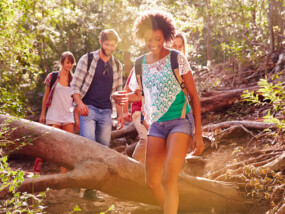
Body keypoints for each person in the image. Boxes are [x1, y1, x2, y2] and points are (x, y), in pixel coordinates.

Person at [113, 11, 204, 213]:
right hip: (156, 126)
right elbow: (137, 95)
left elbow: (194, 96)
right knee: (152, 183)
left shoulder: (176, 59)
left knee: (168, 178)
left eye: (157, 38)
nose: (153, 42)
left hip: (180, 123)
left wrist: (198, 132)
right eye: (148, 39)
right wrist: (120, 98)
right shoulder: (139, 64)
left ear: (165, 36)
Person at [70, 29, 123, 200]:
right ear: (101, 42)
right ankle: (79, 181)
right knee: (88, 146)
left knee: (103, 150)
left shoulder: (117, 65)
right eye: (107, 44)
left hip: (106, 111)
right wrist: (80, 104)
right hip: (89, 109)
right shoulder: (88, 59)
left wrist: (121, 115)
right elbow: (75, 86)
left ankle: (91, 190)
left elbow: (118, 93)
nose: (110, 48)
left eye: (113, 45)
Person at [39, 51, 79, 173]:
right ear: (62, 62)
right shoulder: (52, 77)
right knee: (50, 144)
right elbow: (46, 96)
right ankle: (39, 166)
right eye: (67, 62)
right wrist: (42, 113)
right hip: (53, 115)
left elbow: (76, 100)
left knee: (67, 147)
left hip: (68, 116)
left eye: (71, 63)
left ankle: (63, 176)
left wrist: (76, 118)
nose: (69, 65)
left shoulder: (74, 80)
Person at [123, 68, 148, 163]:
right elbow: (126, 90)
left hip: (155, 112)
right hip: (138, 110)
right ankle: (134, 163)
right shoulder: (137, 67)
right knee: (146, 138)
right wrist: (125, 111)